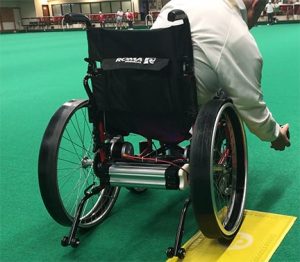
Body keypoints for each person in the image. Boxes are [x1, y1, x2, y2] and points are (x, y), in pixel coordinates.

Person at [152, 0, 290, 151]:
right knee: (227, 93)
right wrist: (275, 135)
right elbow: (249, 102)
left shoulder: (176, 3)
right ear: (255, 4)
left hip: (141, 97)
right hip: (183, 105)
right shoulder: (236, 31)